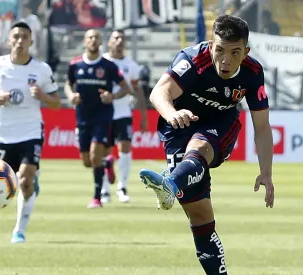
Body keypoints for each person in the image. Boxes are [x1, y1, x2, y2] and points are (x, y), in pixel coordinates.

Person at [138, 15, 275, 275]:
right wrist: (171, 114)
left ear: (245, 52)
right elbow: (159, 92)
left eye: (235, 52)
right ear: (211, 45)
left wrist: (266, 172)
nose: (226, 59)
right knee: (200, 216)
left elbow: (262, 126)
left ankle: (170, 183)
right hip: (178, 124)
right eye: (220, 50)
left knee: (199, 148)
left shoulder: (252, 72)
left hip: (221, 123)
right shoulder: (192, 59)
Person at [0, 22, 61, 243]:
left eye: (25, 37)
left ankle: (19, 230)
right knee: (8, 184)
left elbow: (56, 102)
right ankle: (32, 183)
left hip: (31, 130)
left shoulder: (42, 69)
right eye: (16, 36)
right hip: (5, 133)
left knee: (25, 180)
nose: (20, 41)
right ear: (9, 40)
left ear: (31, 42)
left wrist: (43, 96)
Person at [64, 29, 131, 209]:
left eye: (96, 38)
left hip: (103, 116)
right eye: (90, 38)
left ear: (100, 42)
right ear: (84, 42)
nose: (93, 40)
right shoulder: (75, 64)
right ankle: (106, 163)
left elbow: (126, 88)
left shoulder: (108, 66)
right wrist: (71, 96)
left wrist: (112, 96)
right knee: (88, 161)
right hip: (82, 117)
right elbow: (68, 84)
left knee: (95, 154)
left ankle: (96, 198)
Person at [100, 29, 148, 204]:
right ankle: (104, 190)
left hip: (123, 113)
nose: (119, 41)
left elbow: (137, 90)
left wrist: (143, 115)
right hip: (103, 113)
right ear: (110, 42)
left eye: (122, 38)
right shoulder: (102, 61)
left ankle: (122, 186)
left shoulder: (131, 65)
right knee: (104, 151)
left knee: (125, 148)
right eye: (115, 38)